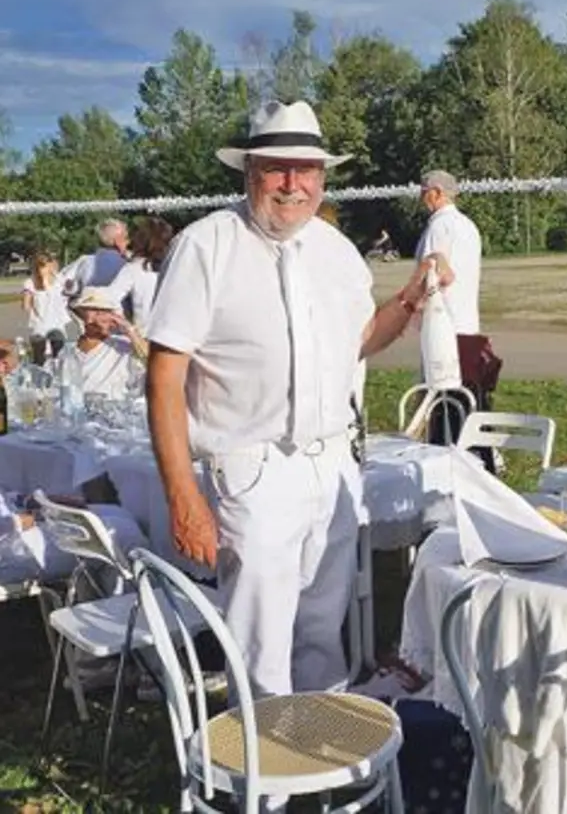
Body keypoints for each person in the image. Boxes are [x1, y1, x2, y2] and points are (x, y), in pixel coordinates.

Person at [146, 100, 448, 698]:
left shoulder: (335, 250)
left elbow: (359, 341)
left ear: (322, 177)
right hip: (253, 468)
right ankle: (262, 784)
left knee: (322, 628)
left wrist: (410, 300)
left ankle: (318, 759)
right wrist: (183, 496)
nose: (292, 184)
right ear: (248, 171)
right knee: (259, 643)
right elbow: (164, 376)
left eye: (306, 169)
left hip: (332, 465)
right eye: (277, 168)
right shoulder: (207, 245)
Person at [415, 170, 499, 460]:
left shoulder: (439, 228)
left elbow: (431, 275)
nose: (420, 197)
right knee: (468, 401)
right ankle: (478, 459)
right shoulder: (468, 226)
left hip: (443, 326)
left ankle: (445, 461)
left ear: (436, 193)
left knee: (442, 404)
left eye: (423, 191)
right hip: (467, 325)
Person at [66, 288, 147, 398]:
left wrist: (129, 330)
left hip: (112, 410)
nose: (101, 315)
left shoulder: (124, 345)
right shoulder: (69, 349)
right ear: (80, 314)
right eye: (94, 310)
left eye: (106, 311)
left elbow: (152, 360)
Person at [106, 216, 174, 337]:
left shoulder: (135, 268)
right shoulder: (177, 264)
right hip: (176, 338)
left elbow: (109, 299)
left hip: (144, 337)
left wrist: (126, 327)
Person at [21, 252, 70, 363]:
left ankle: (41, 378)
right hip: (57, 324)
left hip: (41, 326)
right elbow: (71, 293)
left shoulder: (30, 282)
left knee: (39, 360)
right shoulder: (60, 281)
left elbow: (25, 306)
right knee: (59, 359)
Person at [61, 218, 130, 297]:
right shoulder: (128, 265)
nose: (128, 242)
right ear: (118, 241)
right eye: (126, 238)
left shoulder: (85, 261)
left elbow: (65, 286)